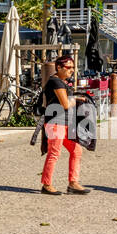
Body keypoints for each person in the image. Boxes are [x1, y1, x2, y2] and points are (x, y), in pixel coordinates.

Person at [41, 54, 89, 195]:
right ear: (59, 67)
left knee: (76, 150)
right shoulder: (55, 82)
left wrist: (76, 97)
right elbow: (66, 104)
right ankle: (46, 184)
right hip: (55, 122)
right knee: (54, 153)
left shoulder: (62, 82)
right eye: (68, 67)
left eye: (73, 67)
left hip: (66, 122)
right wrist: (74, 99)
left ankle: (73, 183)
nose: (72, 70)